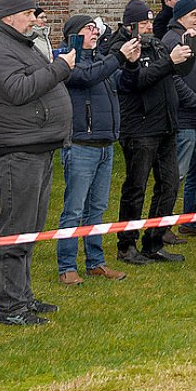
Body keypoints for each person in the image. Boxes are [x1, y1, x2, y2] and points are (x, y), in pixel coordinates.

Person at [0, 0, 74, 326]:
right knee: (17, 229)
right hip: (18, 150)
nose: (35, 19)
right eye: (31, 13)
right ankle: (10, 308)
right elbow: (18, 91)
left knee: (30, 228)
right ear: (13, 15)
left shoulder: (16, 43)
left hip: (36, 145)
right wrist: (61, 68)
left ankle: (23, 297)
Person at [56, 14, 139, 284]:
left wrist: (132, 64)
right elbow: (88, 77)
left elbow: (125, 84)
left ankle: (95, 262)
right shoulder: (67, 62)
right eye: (88, 28)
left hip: (105, 145)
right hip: (80, 145)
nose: (95, 32)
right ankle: (67, 267)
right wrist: (119, 58)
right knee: (74, 209)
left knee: (97, 209)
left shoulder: (100, 61)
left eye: (95, 28)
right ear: (73, 35)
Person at [112, 0, 193, 265]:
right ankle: (126, 245)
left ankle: (154, 241)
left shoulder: (156, 44)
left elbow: (174, 72)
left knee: (169, 185)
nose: (148, 27)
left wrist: (185, 53)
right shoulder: (121, 49)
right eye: (142, 23)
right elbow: (136, 81)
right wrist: (169, 62)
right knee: (136, 187)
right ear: (129, 25)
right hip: (140, 129)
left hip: (166, 125)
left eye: (149, 22)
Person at [162, 0, 196, 238]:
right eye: (193, 14)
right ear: (180, 17)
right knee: (178, 173)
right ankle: (162, 227)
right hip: (185, 117)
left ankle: (192, 220)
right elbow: (173, 78)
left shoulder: (191, 38)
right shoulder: (174, 40)